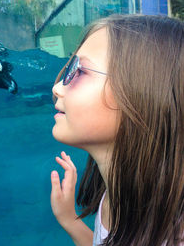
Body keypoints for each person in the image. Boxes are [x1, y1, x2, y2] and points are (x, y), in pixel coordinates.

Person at [50, 14, 184, 246]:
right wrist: (69, 219)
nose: (57, 88)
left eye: (79, 72)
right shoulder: (113, 198)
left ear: (141, 94)